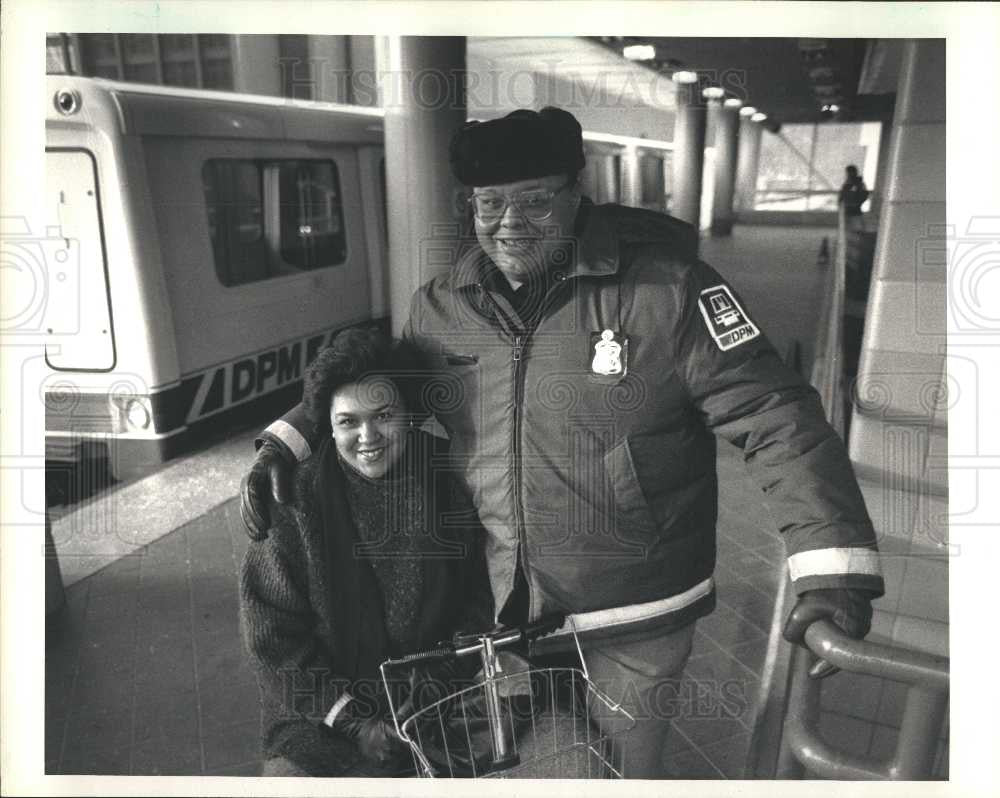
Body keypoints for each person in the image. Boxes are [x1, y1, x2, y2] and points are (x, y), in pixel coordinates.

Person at [241, 107, 885, 778]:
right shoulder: (442, 307)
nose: (508, 221)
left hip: (635, 614)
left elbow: (776, 416)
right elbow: (368, 380)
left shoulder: (669, 294)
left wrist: (831, 566)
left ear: (578, 195)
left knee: (618, 774)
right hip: (501, 611)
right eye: (490, 203)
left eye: (535, 200)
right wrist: (288, 440)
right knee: (513, 766)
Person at [239, 326, 491, 777]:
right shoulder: (295, 503)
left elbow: (475, 600)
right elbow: (271, 639)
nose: (368, 435)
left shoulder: (445, 490)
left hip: (434, 708)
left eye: (383, 416)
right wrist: (355, 722)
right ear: (327, 428)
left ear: (408, 414)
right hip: (322, 721)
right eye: (348, 421)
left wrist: (434, 691)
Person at [838, 164, 870, 232]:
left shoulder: (858, 184)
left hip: (855, 210)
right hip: (849, 210)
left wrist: (856, 202)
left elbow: (864, 194)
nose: (848, 175)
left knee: (857, 229)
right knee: (848, 230)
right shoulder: (848, 184)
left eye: (849, 173)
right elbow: (843, 195)